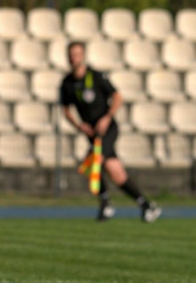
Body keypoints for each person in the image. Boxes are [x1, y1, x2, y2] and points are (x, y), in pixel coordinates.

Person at [60, 40, 161, 223]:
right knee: (116, 172)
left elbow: (117, 97)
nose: (74, 58)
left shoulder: (96, 76)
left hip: (108, 129)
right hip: (92, 134)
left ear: (83, 56)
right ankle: (147, 206)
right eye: (71, 55)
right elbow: (66, 110)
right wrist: (78, 125)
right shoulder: (67, 83)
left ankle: (106, 203)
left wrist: (107, 117)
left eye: (77, 54)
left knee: (92, 161)